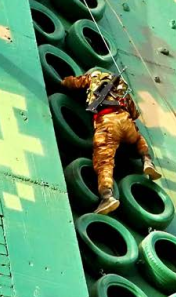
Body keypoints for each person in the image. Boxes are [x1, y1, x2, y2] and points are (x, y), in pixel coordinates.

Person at [60, 69, 161, 215]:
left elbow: (75, 83)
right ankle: (147, 160)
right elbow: (135, 113)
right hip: (125, 119)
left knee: (104, 162)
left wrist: (63, 81)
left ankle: (107, 196)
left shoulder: (94, 77)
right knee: (138, 137)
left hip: (107, 122)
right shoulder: (120, 86)